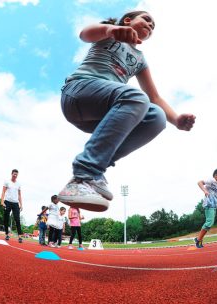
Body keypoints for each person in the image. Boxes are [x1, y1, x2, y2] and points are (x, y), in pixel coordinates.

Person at [58, 11, 195, 212]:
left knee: (156, 117)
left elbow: (155, 98)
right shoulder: (108, 32)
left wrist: (175, 119)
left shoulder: (140, 59)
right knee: (136, 97)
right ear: (128, 20)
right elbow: (84, 34)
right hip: (78, 92)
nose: (150, 24)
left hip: (101, 114)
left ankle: (95, 171)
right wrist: (110, 30)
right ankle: (83, 173)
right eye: (146, 19)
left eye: (153, 26)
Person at [194, 169, 217, 248]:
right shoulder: (211, 180)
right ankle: (198, 240)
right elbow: (199, 182)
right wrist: (204, 191)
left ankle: (199, 239)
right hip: (209, 204)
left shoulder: (216, 184)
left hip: (213, 205)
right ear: (215, 175)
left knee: (210, 223)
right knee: (209, 222)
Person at [0, 169, 24, 243]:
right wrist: (2, 201)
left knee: (17, 219)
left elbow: (19, 195)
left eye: (16, 174)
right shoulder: (7, 182)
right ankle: (7, 234)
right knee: (6, 218)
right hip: (7, 202)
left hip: (15, 203)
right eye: (14, 174)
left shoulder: (18, 184)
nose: (15, 175)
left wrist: (21, 204)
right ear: (11, 174)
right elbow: (3, 191)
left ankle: (20, 236)